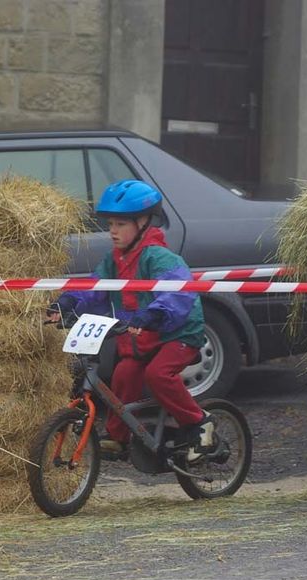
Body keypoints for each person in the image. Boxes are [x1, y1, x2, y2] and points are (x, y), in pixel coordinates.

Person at [45, 179, 214, 461]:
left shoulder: (158, 256)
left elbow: (177, 292)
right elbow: (94, 287)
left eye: (120, 224)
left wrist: (153, 314)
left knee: (157, 375)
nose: (112, 231)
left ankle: (199, 423)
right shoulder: (115, 261)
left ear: (144, 222)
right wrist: (65, 303)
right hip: (142, 337)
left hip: (178, 333)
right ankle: (119, 438)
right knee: (123, 374)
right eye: (110, 224)